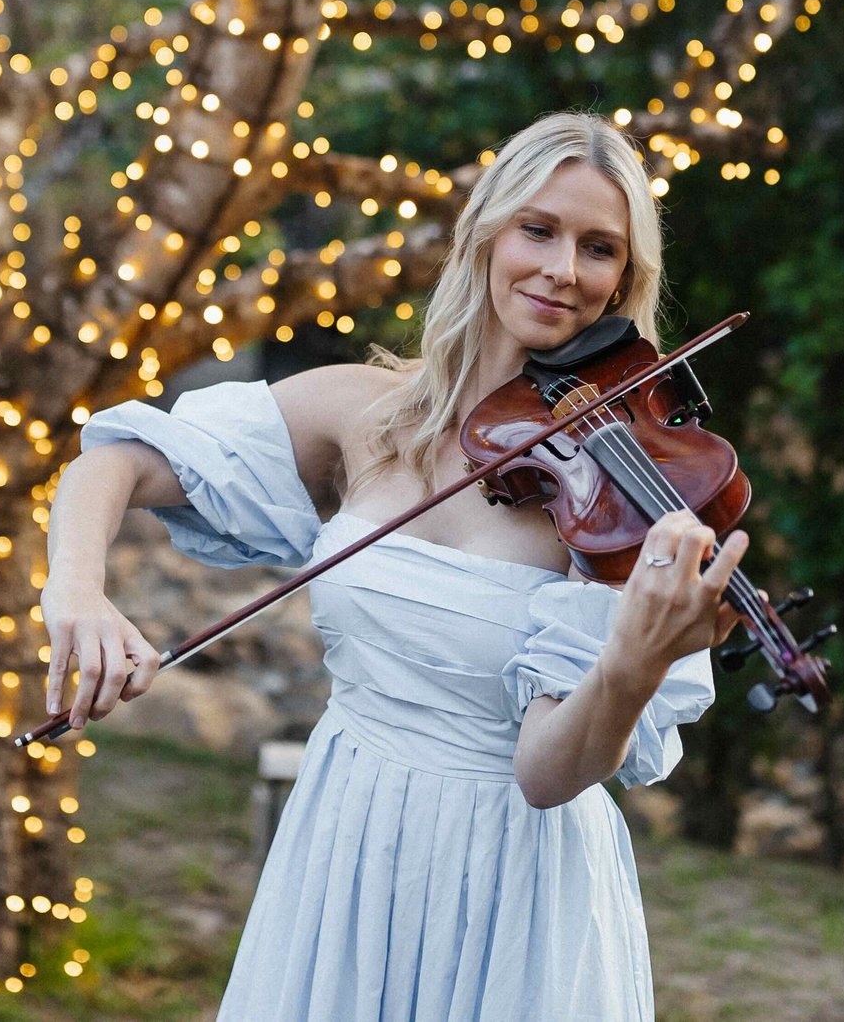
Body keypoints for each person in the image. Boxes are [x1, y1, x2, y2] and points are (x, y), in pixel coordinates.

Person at [40, 111, 749, 1022]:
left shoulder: (617, 504)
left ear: (624, 281)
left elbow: (547, 772)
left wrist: (633, 663)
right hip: (348, 841)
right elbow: (118, 461)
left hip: (514, 887)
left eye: (599, 247)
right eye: (539, 228)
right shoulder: (368, 413)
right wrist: (77, 589)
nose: (563, 268)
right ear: (487, 232)